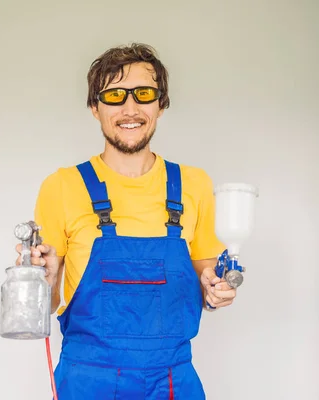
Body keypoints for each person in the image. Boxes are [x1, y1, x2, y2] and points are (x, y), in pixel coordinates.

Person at [16, 43, 238, 399]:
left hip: (171, 382)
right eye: (115, 95)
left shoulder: (194, 185)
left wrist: (217, 293)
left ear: (160, 105)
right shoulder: (61, 186)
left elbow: (205, 282)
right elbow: (51, 299)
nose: (130, 108)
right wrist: (44, 276)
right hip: (88, 381)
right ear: (95, 107)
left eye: (144, 94)